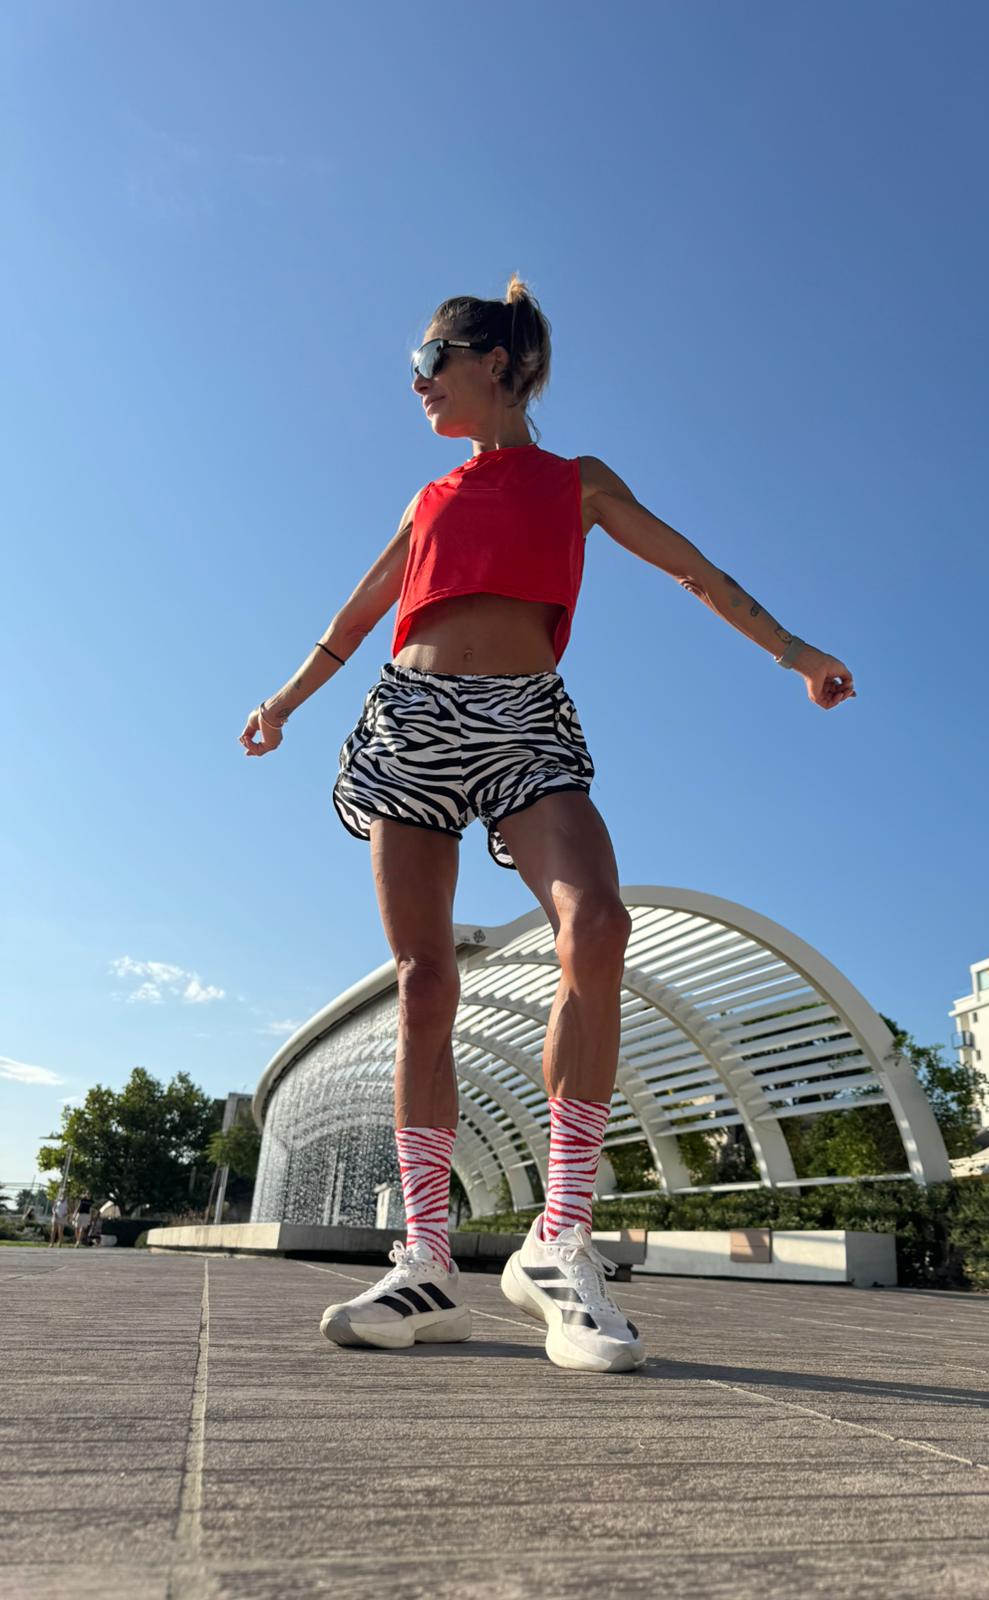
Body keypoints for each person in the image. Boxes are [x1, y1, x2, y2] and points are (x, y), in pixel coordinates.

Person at [238, 276, 856, 1372]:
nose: (415, 383)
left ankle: (557, 1240)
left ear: (496, 364)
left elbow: (694, 570)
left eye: (429, 359)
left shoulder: (578, 482)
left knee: (599, 924)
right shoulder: (427, 499)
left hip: (526, 722)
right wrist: (283, 704)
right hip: (414, 718)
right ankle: (427, 1260)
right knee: (425, 979)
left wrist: (794, 652)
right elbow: (355, 616)